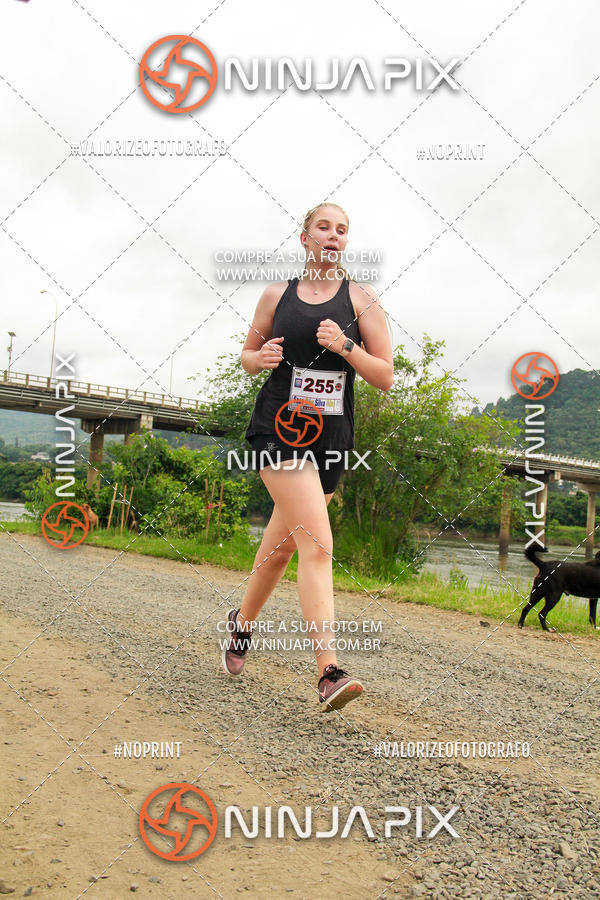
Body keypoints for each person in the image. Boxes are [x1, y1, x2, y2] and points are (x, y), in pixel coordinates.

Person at [222, 202, 394, 712]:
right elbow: (248, 357)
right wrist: (261, 359)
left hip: (331, 440)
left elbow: (384, 375)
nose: (333, 236)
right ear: (304, 238)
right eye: (324, 227)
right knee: (318, 545)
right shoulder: (276, 297)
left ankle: (240, 624)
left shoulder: (362, 302)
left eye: (342, 230)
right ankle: (328, 672)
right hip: (279, 431)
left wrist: (346, 347)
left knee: (279, 554)